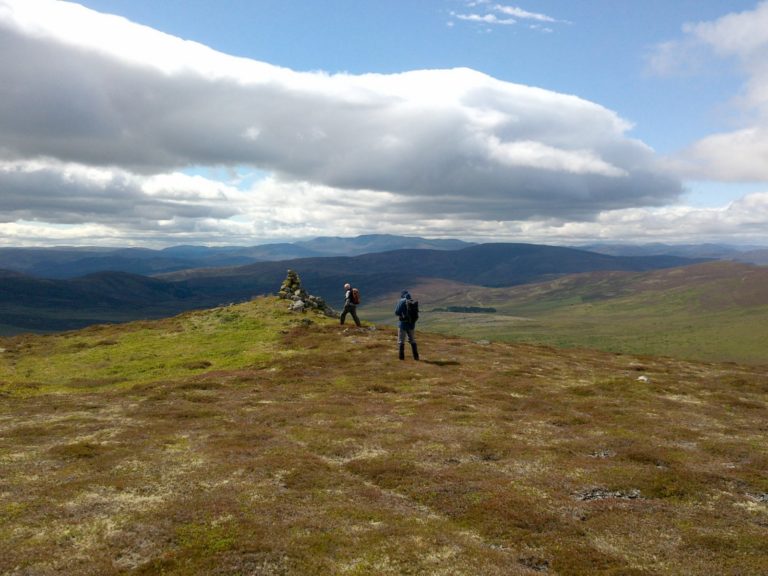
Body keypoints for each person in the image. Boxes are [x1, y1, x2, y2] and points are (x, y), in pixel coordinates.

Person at [395, 289, 419, 360]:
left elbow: (397, 312)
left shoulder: (401, 301)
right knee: (412, 340)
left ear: (402, 295)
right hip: (411, 324)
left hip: (402, 324)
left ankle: (401, 358)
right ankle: (416, 357)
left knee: (401, 341)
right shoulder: (412, 301)